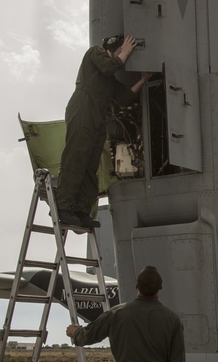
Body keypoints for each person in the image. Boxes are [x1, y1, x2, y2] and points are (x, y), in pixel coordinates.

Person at [55, 34, 153, 229]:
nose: (125, 57)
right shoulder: (96, 54)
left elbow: (124, 97)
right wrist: (125, 52)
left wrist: (143, 80)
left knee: (90, 166)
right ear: (114, 48)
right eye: (123, 51)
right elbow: (109, 66)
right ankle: (63, 207)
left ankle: (81, 210)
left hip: (98, 119)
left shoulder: (109, 81)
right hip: (83, 110)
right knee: (76, 158)